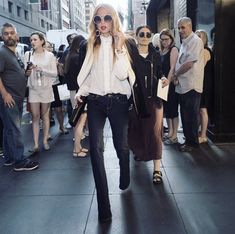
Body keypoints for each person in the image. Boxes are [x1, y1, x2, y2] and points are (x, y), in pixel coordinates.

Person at [75, 3, 135, 222]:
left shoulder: (125, 43)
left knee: (122, 146)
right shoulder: (89, 44)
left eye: (107, 18)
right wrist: (81, 91)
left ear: (114, 20)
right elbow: (88, 74)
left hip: (118, 102)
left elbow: (121, 74)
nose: (102, 23)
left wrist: (119, 48)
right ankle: (104, 207)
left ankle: (125, 169)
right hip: (96, 102)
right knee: (95, 149)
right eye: (97, 19)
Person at [128, 25, 168, 184]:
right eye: (141, 34)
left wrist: (164, 78)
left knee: (155, 132)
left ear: (151, 37)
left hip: (153, 99)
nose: (145, 36)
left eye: (147, 34)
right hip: (136, 100)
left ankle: (157, 169)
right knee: (135, 129)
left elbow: (160, 73)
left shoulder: (156, 55)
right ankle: (139, 152)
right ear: (136, 36)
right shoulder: (130, 55)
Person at [0, 22, 39, 171]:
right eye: (6, 33)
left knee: (9, 129)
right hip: (9, 98)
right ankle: (20, 161)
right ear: (2, 36)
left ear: (16, 35)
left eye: (12, 33)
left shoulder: (13, 52)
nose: (9, 36)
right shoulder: (2, 52)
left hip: (15, 97)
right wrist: (5, 94)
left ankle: (10, 158)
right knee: (15, 129)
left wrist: (26, 73)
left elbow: (14, 74)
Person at [174, 17, 204, 152]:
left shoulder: (195, 41)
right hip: (183, 85)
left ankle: (193, 143)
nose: (180, 30)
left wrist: (175, 75)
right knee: (185, 115)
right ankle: (188, 141)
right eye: (179, 28)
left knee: (191, 116)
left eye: (183, 27)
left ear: (190, 26)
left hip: (191, 85)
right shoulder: (185, 41)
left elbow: (189, 63)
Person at [24, 32, 57, 152]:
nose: (32, 42)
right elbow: (25, 73)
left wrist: (41, 69)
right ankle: (36, 144)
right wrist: (28, 70)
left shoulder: (50, 56)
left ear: (42, 41)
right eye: (31, 40)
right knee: (35, 116)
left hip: (46, 89)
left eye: (35, 39)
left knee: (45, 115)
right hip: (33, 89)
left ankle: (44, 141)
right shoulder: (27, 55)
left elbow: (54, 73)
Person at [64, 35, 88, 157]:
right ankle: (76, 149)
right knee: (80, 120)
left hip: (74, 91)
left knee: (77, 120)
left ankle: (78, 146)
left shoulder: (69, 56)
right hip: (80, 93)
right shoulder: (77, 58)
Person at [159, 28, 179, 144]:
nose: (164, 42)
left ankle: (175, 135)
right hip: (163, 83)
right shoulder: (163, 51)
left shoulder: (173, 49)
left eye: (166, 39)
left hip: (170, 84)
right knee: (167, 109)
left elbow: (172, 68)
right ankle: (170, 132)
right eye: (162, 40)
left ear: (171, 39)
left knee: (173, 110)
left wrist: (168, 81)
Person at [45, 41, 69, 135]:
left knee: (58, 109)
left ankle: (62, 127)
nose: (49, 48)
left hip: (55, 85)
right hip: (45, 87)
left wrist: (59, 65)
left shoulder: (55, 58)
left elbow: (61, 73)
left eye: (50, 47)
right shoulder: (40, 59)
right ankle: (48, 133)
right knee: (47, 110)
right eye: (47, 47)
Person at [195, 29, 214, 143]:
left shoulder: (205, 51)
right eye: (196, 36)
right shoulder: (199, 51)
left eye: (199, 36)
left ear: (204, 39)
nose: (197, 39)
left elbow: (199, 67)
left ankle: (203, 135)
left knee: (203, 109)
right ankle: (199, 132)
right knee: (199, 109)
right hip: (200, 82)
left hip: (205, 83)